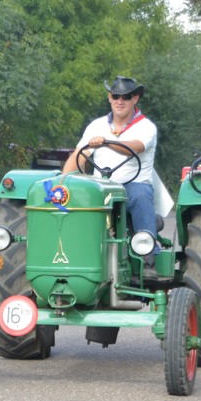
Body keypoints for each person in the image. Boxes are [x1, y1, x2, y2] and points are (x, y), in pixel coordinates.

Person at [62, 75, 159, 264]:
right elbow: (79, 156)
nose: (120, 101)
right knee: (73, 197)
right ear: (109, 97)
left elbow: (135, 147)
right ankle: (70, 252)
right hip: (101, 188)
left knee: (140, 194)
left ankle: (148, 254)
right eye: (115, 96)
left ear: (135, 98)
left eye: (126, 97)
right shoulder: (96, 126)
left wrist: (107, 142)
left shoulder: (146, 127)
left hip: (132, 186)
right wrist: (63, 182)